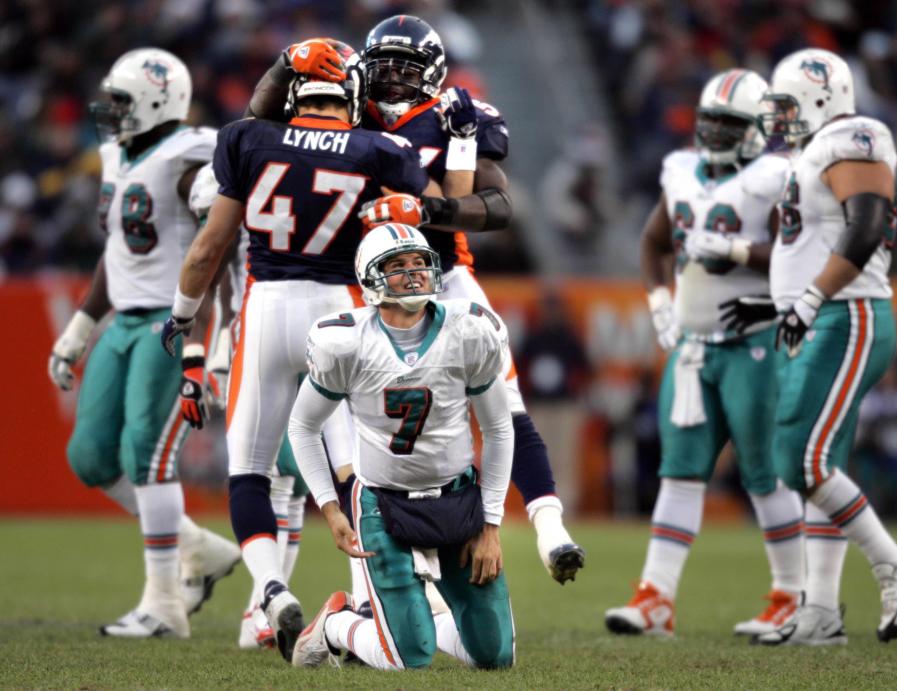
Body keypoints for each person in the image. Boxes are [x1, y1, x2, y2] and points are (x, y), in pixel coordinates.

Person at [246, 15, 584, 587]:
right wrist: (287, 62)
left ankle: (549, 525)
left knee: (504, 402)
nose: (394, 83)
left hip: (445, 275)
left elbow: (497, 206)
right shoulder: (346, 110)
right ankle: (384, 574)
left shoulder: (454, 117)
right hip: (367, 289)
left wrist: (429, 210)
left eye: (408, 70)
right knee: (368, 429)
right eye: (383, 70)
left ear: (433, 74)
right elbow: (264, 113)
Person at [161, 38, 437, 662]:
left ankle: (270, 589)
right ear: (351, 97)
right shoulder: (381, 150)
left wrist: (182, 317)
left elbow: (208, 249)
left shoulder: (246, 139)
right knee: (354, 466)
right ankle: (371, 596)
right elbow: (407, 236)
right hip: (340, 309)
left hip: (265, 307)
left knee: (250, 470)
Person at [736, 48, 897, 645]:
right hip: (817, 316)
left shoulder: (855, 135)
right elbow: (806, 246)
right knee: (821, 464)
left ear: (823, 97)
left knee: (799, 457)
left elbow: (867, 223)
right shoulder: (810, 153)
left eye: (788, 105)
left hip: (844, 316)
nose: (779, 118)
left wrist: (808, 300)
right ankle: (820, 611)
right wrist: (777, 299)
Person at [47, 48, 240, 639]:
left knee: (145, 454)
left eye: (123, 100)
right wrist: (80, 329)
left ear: (159, 99)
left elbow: (220, 244)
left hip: (170, 318)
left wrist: (218, 333)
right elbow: (118, 252)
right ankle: (198, 547)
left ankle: (163, 603)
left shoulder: (188, 158)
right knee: (89, 458)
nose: (111, 111)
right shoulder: (115, 155)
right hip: (122, 320)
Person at [604, 69, 805, 638]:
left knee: (765, 474)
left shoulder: (775, 176)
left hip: (756, 343)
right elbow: (653, 241)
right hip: (694, 350)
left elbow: (798, 254)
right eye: (709, 120)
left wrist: (740, 249)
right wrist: (659, 297)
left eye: (728, 123)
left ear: (756, 129)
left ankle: (792, 595)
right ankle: (656, 598)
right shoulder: (680, 170)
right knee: (680, 473)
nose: (714, 131)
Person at [287, 223, 515, 671]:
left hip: (457, 500)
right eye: (396, 266)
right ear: (370, 279)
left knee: (494, 657)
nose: (412, 274)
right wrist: (331, 508)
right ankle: (335, 624)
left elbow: (500, 429)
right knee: (407, 658)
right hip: (382, 506)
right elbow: (302, 426)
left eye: (418, 263)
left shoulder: (468, 330)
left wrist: (490, 526)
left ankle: (423, 626)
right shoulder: (347, 342)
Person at [186, 163, 310, 650]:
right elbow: (216, 283)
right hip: (256, 342)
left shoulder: (268, 191)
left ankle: (260, 607)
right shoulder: (250, 190)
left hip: (279, 333)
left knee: (291, 481)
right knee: (275, 477)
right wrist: (214, 353)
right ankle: (261, 606)